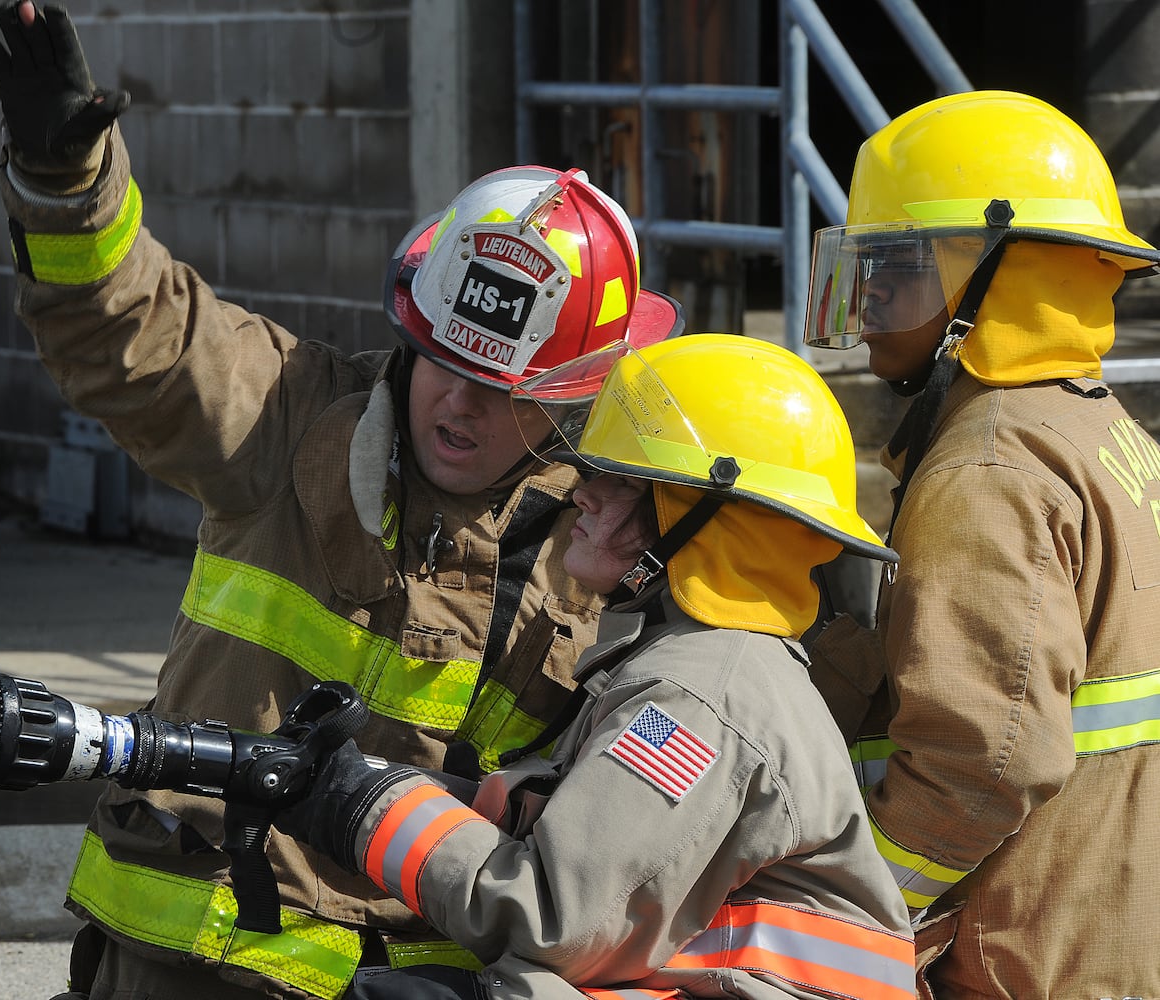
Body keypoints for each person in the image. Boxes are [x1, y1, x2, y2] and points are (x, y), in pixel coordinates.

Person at [0, 4, 684, 998]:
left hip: (421, 974)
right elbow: (132, 336)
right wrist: (65, 186)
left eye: (505, 389)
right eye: (442, 360)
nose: (459, 403)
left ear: (570, 398)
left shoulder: (607, 538)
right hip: (193, 949)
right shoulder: (287, 415)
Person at [273, 334, 917, 1000]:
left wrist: (362, 806)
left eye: (623, 481)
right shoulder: (709, 661)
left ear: (706, 524)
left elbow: (556, 920)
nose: (582, 493)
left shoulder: (695, 699)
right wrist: (390, 782)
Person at [802, 90, 1160, 998]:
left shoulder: (987, 468)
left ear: (1000, 278)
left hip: (1020, 961)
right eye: (865, 263)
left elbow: (982, 763)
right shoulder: (1097, 429)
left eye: (900, 263)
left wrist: (845, 907)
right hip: (1105, 934)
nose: (871, 291)